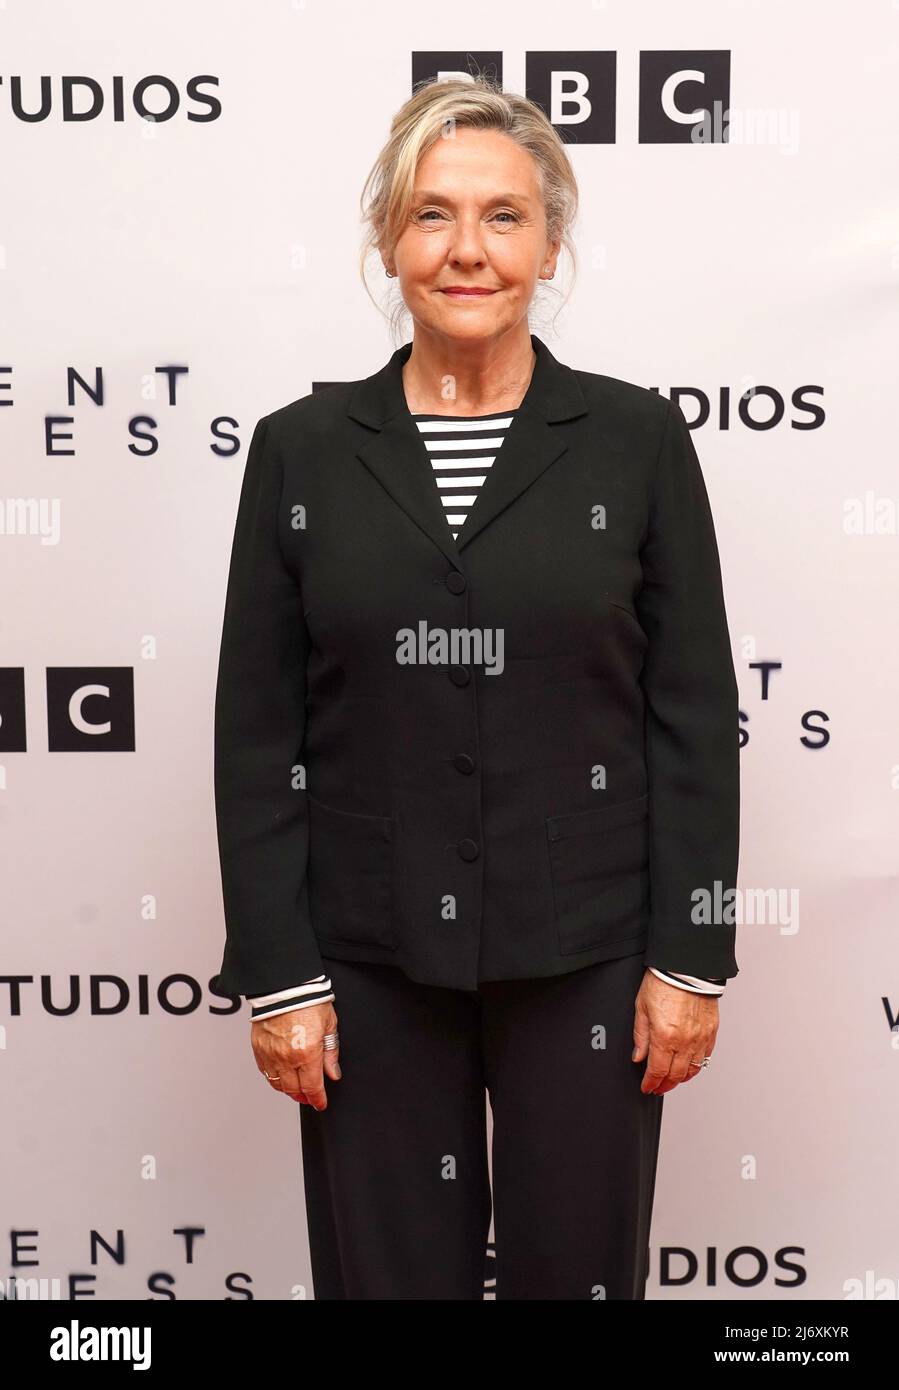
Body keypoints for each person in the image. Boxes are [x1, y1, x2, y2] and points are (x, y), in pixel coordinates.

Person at [211, 75, 740, 1300]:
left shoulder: (634, 440)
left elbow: (692, 714)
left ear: (549, 242)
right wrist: (281, 972)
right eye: (431, 215)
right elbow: (257, 731)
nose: (466, 251)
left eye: (502, 217)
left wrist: (689, 956)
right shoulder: (301, 449)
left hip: (592, 952)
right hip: (365, 959)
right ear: (388, 241)